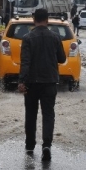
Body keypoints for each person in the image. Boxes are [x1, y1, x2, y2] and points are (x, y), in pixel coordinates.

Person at [18, 8, 66, 161]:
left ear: (34, 20)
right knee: (48, 114)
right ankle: (47, 145)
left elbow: (25, 62)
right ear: (47, 20)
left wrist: (21, 81)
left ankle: (30, 144)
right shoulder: (55, 37)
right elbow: (62, 58)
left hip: (32, 82)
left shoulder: (27, 38)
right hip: (49, 82)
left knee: (31, 114)